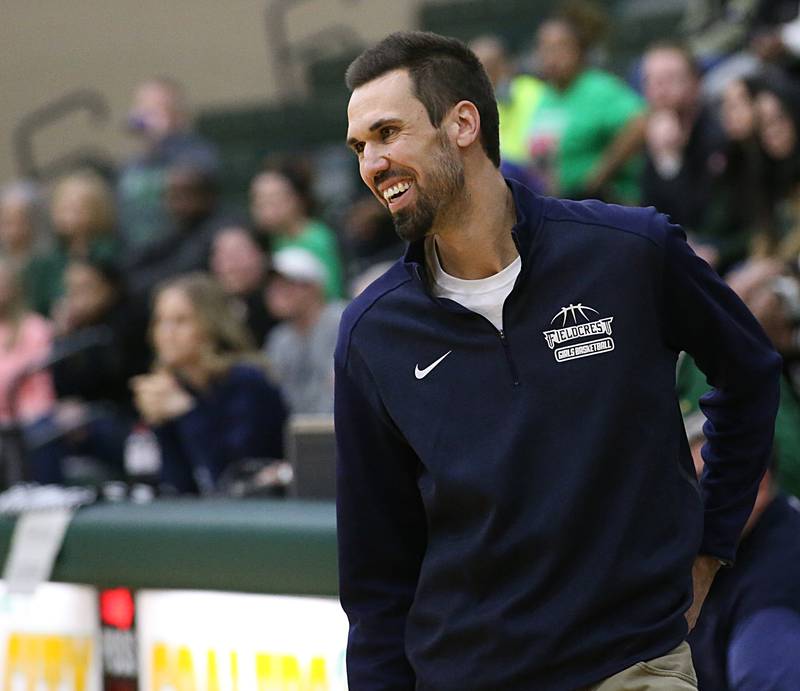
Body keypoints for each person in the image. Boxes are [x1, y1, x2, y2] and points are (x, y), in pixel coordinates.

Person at [336, 31, 781, 690]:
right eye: (360, 147)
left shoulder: (629, 252)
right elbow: (377, 571)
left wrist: (713, 541)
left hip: (631, 665)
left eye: (387, 133)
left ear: (462, 123)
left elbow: (749, 371)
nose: (372, 163)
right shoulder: (371, 332)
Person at [131, 273, 287, 495]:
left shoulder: (247, 382)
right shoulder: (175, 387)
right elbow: (177, 486)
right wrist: (162, 424)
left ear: (210, 325)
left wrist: (187, 413)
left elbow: (232, 479)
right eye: (160, 321)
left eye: (181, 321)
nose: (167, 333)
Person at [685, 424, 800, 689]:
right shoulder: (730, 543)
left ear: (756, 485)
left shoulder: (772, 597)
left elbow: (769, 675)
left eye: (700, 481)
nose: (685, 500)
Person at [527, 1, 646, 203]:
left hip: (602, 203)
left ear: (579, 50)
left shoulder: (598, 88)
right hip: (560, 202)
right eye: (544, 47)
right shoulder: (546, 95)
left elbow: (640, 123)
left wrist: (599, 175)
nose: (551, 56)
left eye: (560, 47)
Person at [117, 77, 219, 252]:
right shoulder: (130, 165)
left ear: (178, 115)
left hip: (182, 250)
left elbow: (196, 182)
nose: (145, 114)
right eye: (141, 106)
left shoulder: (198, 153)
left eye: (155, 108)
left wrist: (164, 139)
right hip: (138, 253)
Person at [264, 247, 344, 415]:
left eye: (286, 284)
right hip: (298, 434)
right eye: (272, 285)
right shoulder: (279, 339)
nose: (276, 292)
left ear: (313, 286)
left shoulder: (342, 321)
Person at [29, 171, 120, 317]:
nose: (70, 216)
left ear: (97, 209)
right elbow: (38, 307)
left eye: (78, 208)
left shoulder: (110, 252)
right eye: (64, 208)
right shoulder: (45, 262)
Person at [250, 163, 345, 300]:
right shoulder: (270, 239)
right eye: (258, 200)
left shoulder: (317, 238)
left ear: (298, 198)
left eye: (274, 198)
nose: (264, 207)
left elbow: (331, 292)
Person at [210, 225, 277, 345]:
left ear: (262, 255)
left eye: (237, 254)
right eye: (221, 255)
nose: (229, 266)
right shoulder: (213, 306)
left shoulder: (279, 300)